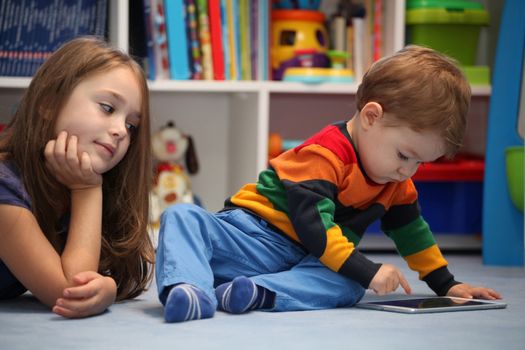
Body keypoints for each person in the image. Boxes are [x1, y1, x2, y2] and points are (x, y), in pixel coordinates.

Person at [155, 45, 501, 323]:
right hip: (252, 239)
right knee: (183, 216)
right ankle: (188, 288)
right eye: (404, 155)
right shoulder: (325, 153)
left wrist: (447, 284)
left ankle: (257, 292)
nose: (407, 171)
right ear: (371, 117)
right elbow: (314, 227)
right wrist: (369, 270)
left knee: (350, 284)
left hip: (307, 263)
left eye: (419, 163)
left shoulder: (396, 181)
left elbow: (414, 234)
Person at [0, 37, 154, 318]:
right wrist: (86, 189)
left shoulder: (77, 183)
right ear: (49, 103)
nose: (121, 130)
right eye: (107, 108)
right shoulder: (5, 188)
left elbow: (89, 280)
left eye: (132, 125)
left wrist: (106, 286)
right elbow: (70, 293)